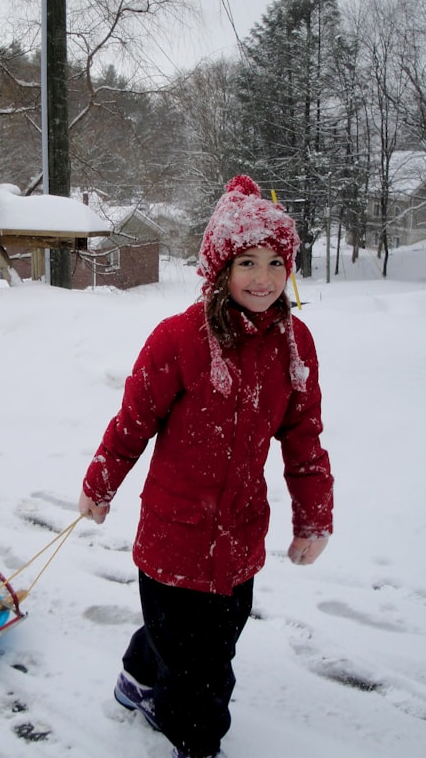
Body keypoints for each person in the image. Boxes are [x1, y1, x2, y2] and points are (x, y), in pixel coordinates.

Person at [78, 175, 334, 758]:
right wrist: (101, 483)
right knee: (205, 669)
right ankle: (196, 742)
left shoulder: (295, 346)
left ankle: (137, 680)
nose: (264, 278)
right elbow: (132, 423)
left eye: (276, 262)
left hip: (240, 536)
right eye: (248, 261)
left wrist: (314, 516)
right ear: (221, 267)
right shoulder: (178, 340)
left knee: (204, 638)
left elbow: (303, 437)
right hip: (174, 538)